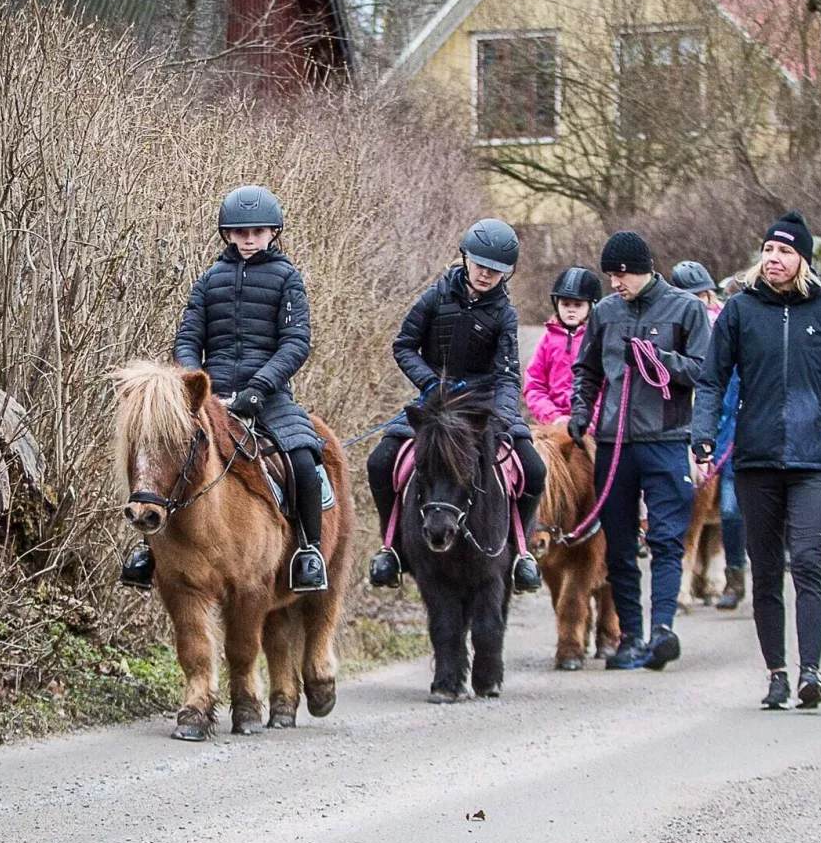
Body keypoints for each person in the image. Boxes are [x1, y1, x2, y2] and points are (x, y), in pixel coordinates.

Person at [691, 212, 821, 709]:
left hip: (815, 458)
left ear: (803, 260)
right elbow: (712, 380)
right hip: (756, 458)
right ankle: (777, 672)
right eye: (769, 250)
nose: (774, 259)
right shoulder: (740, 311)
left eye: (785, 252)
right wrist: (703, 439)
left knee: (810, 563)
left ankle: (811, 672)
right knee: (767, 567)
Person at [121, 184, 329, 593]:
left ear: (273, 232)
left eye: (257, 231)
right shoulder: (208, 281)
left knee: (304, 461)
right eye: (240, 232)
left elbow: (296, 342)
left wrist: (259, 387)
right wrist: (193, 386)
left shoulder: (288, 279)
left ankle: (309, 551)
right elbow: (187, 339)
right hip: (208, 399)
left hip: (268, 398)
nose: (249, 238)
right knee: (163, 457)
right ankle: (149, 549)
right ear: (227, 235)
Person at [366, 219, 547, 594]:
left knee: (533, 468)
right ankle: (392, 549)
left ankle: (520, 553)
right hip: (435, 404)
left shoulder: (504, 315)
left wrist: (505, 415)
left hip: (484, 410)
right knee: (381, 462)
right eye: (480, 264)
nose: (485, 274)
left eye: (495, 270)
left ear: (505, 273)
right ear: (465, 258)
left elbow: (508, 375)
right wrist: (431, 383)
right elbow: (403, 346)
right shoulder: (435, 297)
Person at [568, 232, 710, 670]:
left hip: (666, 440)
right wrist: (581, 411)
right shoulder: (605, 314)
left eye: (621, 274)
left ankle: (662, 628)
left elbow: (705, 372)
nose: (614, 283)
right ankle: (629, 634)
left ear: (644, 269)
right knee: (619, 545)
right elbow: (587, 370)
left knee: (667, 539)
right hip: (614, 444)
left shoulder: (687, 310)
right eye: (610, 275)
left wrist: (660, 359)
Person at [670, 260, 747, 608]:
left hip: (723, 426)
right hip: (682, 424)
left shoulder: (725, 328)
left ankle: (725, 570)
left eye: (699, 298)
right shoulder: (671, 328)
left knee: (728, 504)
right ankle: (695, 574)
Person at [523, 266, 601, 425]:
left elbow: (607, 388)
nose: (571, 310)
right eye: (566, 304)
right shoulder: (548, 339)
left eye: (578, 305)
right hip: (553, 424)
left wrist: (590, 418)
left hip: (590, 425)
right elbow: (534, 385)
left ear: (591, 306)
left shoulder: (598, 341)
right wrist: (553, 416)